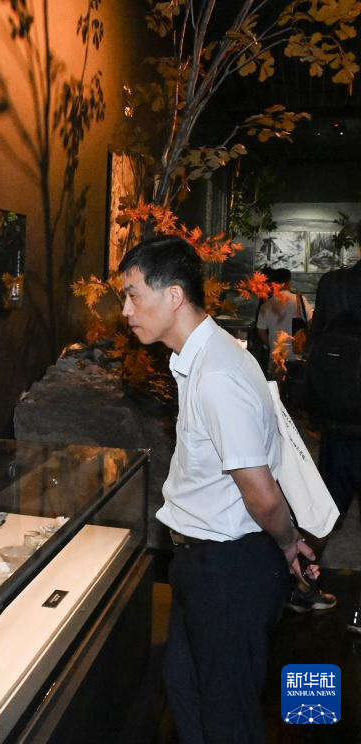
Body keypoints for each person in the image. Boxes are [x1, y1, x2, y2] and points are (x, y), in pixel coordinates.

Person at [118, 236, 319, 743]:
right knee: (186, 690)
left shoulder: (216, 375)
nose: (126, 311)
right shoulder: (203, 358)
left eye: (133, 295)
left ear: (174, 296)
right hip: (203, 563)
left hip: (229, 570)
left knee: (227, 716)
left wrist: (287, 543)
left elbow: (262, 494)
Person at [308, 245, 361, 635]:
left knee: (324, 513)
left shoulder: (334, 284)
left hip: (339, 422)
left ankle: (302, 587)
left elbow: (317, 345)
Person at [255, 268, 312, 376]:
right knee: (297, 383)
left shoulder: (267, 305)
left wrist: (271, 345)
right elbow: (310, 324)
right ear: (288, 282)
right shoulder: (300, 300)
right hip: (298, 357)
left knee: (276, 384)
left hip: (276, 357)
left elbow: (261, 331)